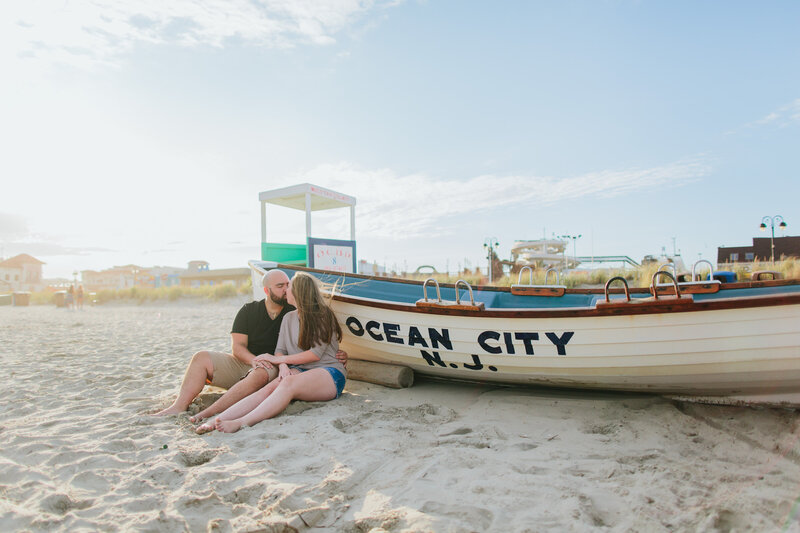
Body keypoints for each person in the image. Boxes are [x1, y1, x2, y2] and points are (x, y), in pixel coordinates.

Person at [153, 269, 346, 416]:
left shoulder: (295, 309)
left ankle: (215, 412)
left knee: (261, 372)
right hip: (251, 362)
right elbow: (237, 347)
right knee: (201, 357)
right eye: (280, 286)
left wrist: (339, 354)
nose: (286, 289)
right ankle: (178, 406)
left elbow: (318, 342)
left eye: (288, 285)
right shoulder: (249, 311)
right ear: (266, 290)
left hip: (272, 367)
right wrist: (254, 360)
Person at [199, 271, 345, 433]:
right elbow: (280, 350)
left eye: (289, 286)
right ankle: (216, 420)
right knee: (269, 388)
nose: (285, 290)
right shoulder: (288, 318)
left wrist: (274, 360)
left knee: (287, 383)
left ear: (299, 291)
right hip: (301, 371)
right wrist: (282, 365)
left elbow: (315, 355)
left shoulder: (323, 315)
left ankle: (242, 422)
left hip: (330, 373)